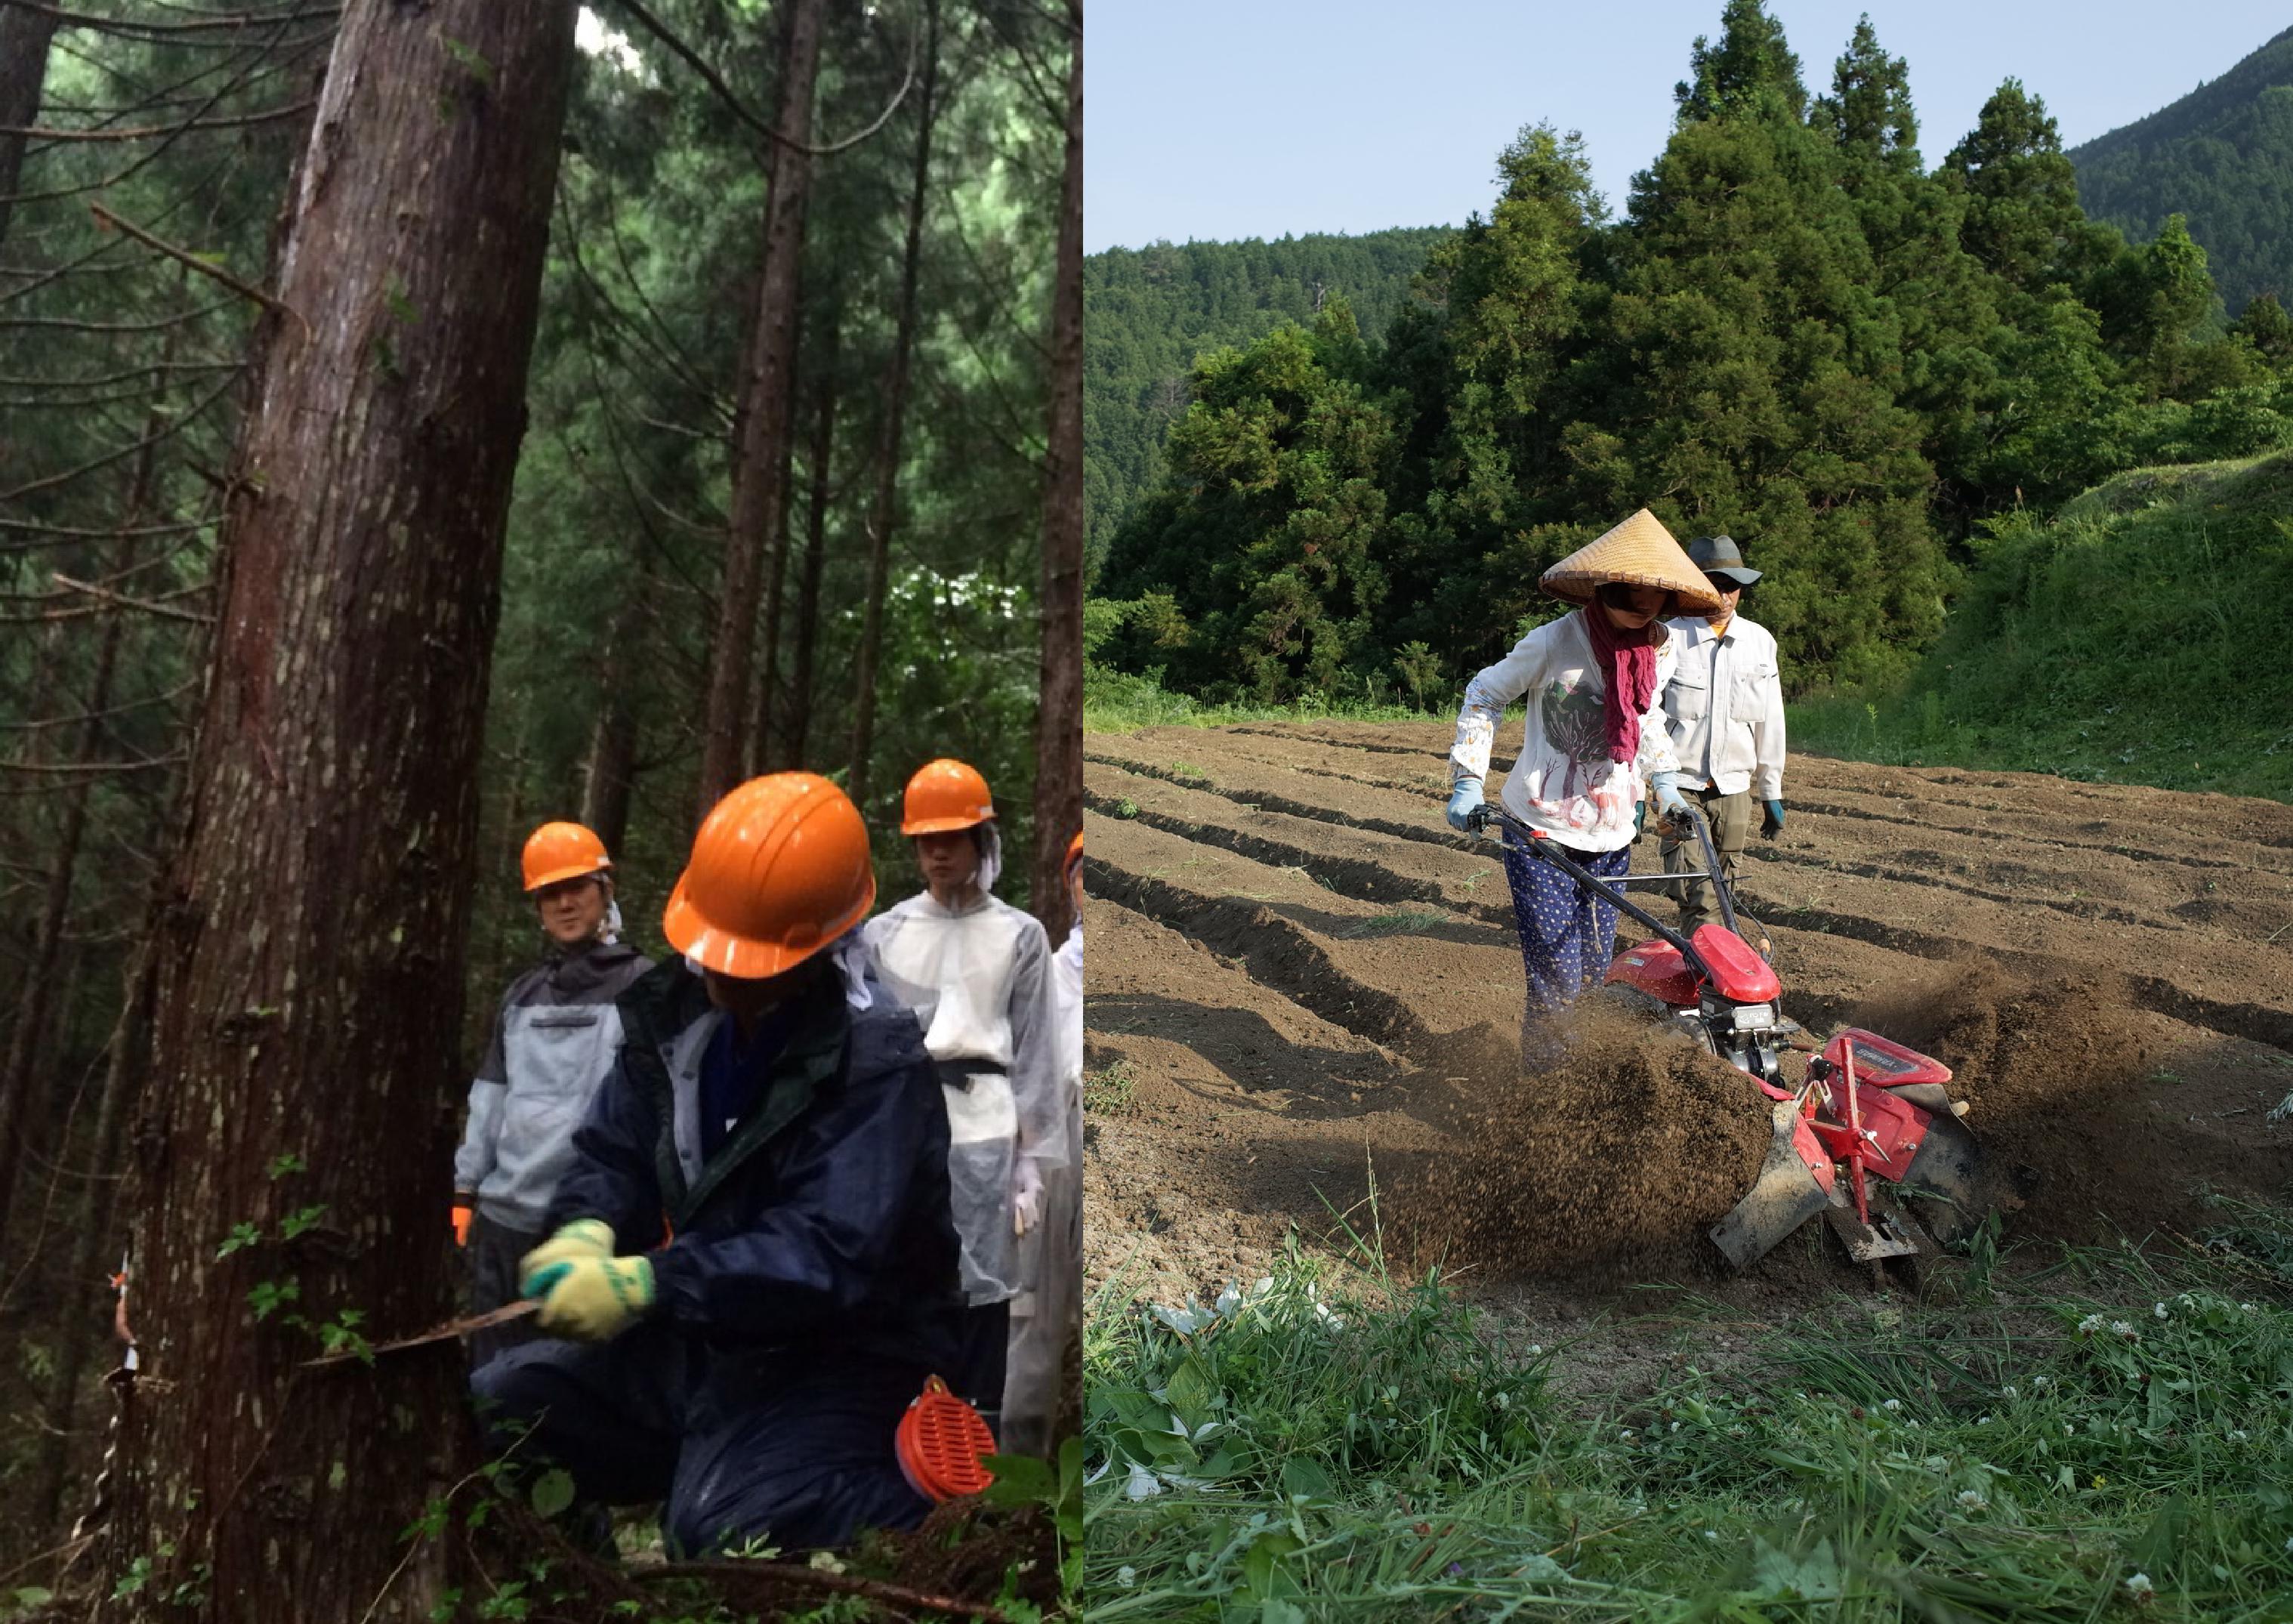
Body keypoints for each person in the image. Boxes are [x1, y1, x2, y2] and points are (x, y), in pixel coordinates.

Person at [472, 773, 968, 1556]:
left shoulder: (875, 1066)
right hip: (705, 1336)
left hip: (847, 1357)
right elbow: (615, 1147)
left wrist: (650, 1283)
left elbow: (825, 1253)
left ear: (813, 950)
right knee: (499, 1406)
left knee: (722, 1528)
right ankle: (585, 1579)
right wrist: (586, 1227)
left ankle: (930, 1515)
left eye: (742, 959)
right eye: (708, 947)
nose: (714, 971)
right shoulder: (677, 1022)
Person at [1443, 509, 1723, 1063]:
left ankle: (1586, 1069)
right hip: (1540, 828)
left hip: (1612, 831)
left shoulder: (1661, 646)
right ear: (1605, 587)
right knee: (1558, 971)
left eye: (1655, 594)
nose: (1644, 604)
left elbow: (1645, 717)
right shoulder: (1554, 641)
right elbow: (1484, 692)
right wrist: (1468, 780)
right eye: (1633, 592)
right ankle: (1547, 1081)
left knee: (1597, 969)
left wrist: (1665, 784)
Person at [861, 761, 1064, 1441]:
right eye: (926, 840)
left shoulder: (1020, 936)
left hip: (986, 1129)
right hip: (903, 1132)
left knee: (983, 1297)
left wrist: (1032, 1161)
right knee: (908, 1285)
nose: (938, 853)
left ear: (982, 841)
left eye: (951, 837)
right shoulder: (884, 935)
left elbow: (1036, 1052)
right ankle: (903, 1451)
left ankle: (979, 1457)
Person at [452, 822, 653, 1366]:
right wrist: (465, 1191)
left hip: (591, 1224)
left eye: (577, 888)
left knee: (578, 1376)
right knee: (492, 1374)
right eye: (550, 893)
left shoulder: (644, 987)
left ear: (605, 890)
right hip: (506, 1220)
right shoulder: (520, 996)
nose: (565, 903)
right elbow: (491, 1098)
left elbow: (661, 1106)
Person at [1001, 829, 1084, 1458]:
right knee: (1033, 1315)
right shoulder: (1050, 979)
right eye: (1084, 874)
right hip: (1054, 1151)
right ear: (1072, 888)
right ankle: (1019, 1469)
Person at [1659, 535, 1787, 934]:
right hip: (1679, 786)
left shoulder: (1759, 642)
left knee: (1726, 889)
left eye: (1732, 586)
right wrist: (1637, 792)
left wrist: (1771, 790)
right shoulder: (1667, 638)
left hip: (1734, 788)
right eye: (1713, 585)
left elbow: (1770, 722)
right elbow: (1643, 717)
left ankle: (1710, 963)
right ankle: (1704, 964)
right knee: (1696, 890)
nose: (1724, 595)